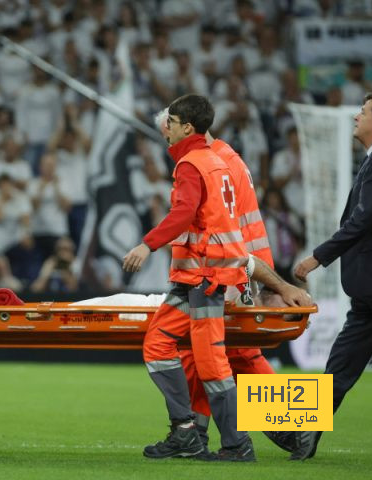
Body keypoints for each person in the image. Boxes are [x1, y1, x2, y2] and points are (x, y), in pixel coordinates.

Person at [155, 107, 309, 453]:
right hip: (235, 269)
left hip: (234, 272)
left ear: (187, 129)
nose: (169, 140)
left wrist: (269, 284)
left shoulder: (214, 165)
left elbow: (231, 230)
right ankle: (197, 435)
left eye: (170, 132)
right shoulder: (223, 159)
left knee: (238, 354)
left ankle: (296, 428)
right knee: (204, 353)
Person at [123, 94, 254, 461]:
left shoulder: (192, 164)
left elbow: (184, 214)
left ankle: (245, 442)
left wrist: (146, 245)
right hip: (211, 274)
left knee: (219, 361)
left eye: (173, 121)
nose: (167, 126)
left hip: (207, 275)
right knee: (160, 344)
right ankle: (185, 431)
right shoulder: (217, 160)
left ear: (188, 128)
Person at [292, 92, 372, 461]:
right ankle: (305, 435)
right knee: (341, 361)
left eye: (363, 112)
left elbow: (364, 219)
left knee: (341, 363)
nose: (356, 117)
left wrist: (318, 257)